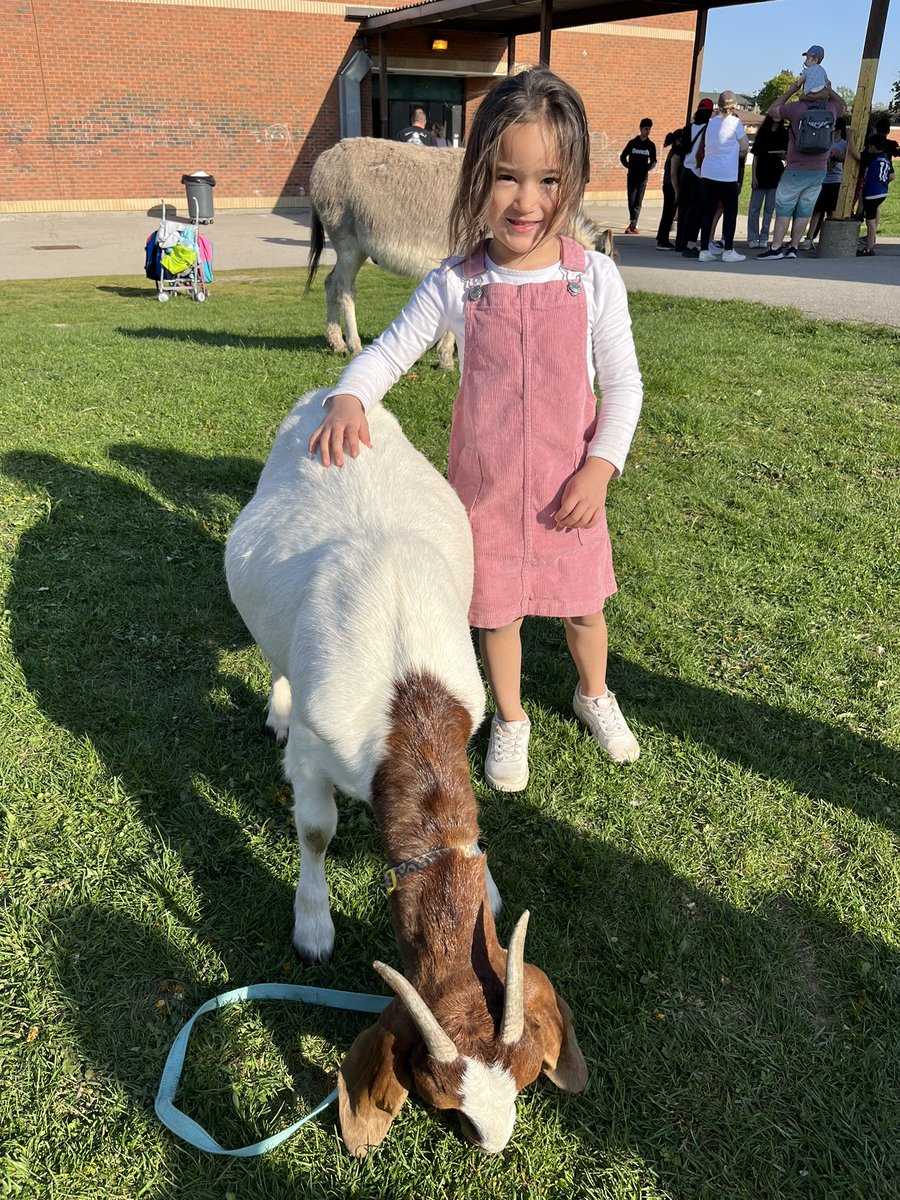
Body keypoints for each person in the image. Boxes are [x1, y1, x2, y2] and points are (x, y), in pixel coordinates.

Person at [308, 68, 644, 788]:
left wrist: (601, 466)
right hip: (484, 497)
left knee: (584, 609)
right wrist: (351, 396)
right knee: (497, 617)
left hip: (570, 492)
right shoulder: (457, 283)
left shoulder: (595, 280)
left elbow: (623, 385)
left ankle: (595, 695)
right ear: (475, 179)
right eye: (505, 178)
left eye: (549, 179)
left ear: (575, 181)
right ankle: (513, 719)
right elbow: (392, 350)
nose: (527, 202)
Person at [756, 82, 845, 261]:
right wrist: (830, 90)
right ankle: (793, 247)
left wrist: (791, 90)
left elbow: (773, 110)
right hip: (819, 169)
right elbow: (844, 106)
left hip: (796, 168)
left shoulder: (796, 108)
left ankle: (776, 247)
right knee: (805, 209)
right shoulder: (832, 108)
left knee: (784, 208)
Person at [697, 91, 749, 262]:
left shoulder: (711, 123)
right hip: (726, 175)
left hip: (708, 172)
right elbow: (744, 147)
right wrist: (734, 154)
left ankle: (704, 250)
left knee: (708, 212)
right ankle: (728, 250)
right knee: (730, 212)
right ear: (734, 106)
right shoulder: (735, 123)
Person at [802, 117, 856, 247]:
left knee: (831, 211)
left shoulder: (843, 144)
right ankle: (809, 238)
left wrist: (849, 139)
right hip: (822, 179)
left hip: (835, 180)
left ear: (837, 129)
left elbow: (847, 158)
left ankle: (828, 238)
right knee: (817, 210)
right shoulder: (825, 143)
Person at [675, 98, 714, 257]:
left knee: (683, 209)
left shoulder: (688, 128)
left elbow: (683, 149)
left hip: (685, 171)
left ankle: (679, 242)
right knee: (696, 211)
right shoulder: (709, 129)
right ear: (710, 112)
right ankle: (690, 243)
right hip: (699, 172)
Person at [746, 114, 788, 248]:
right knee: (754, 208)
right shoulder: (762, 132)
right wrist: (753, 177)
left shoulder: (784, 133)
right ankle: (753, 237)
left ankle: (764, 237)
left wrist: (783, 154)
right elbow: (756, 157)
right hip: (760, 173)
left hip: (775, 174)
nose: (777, 116)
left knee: (769, 209)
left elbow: (786, 155)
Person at [857, 134, 894, 256]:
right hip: (882, 191)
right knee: (871, 217)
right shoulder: (885, 157)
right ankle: (860, 214)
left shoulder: (870, 157)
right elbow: (891, 176)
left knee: (870, 221)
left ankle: (869, 246)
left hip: (872, 192)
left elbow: (854, 154)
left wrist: (851, 138)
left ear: (872, 146)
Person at [619, 118, 657, 233]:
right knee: (631, 200)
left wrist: (647, 169)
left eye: (649, 129)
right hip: (632, 176)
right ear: (640, 128)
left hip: (642, 178)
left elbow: (654, 160)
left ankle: (633, 224)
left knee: (638, 202)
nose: (648, 131)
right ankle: (632, 222)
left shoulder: (650, 145)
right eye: (646, 128)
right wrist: (628, 165)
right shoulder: (632, 143)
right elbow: (623, 156)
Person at [655, 129, 682, 249]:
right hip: (671, 186)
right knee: (668, 213)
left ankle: (661, 237)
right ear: (677, 140)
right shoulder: (676, 153)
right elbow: (673, 174)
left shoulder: (673, 151)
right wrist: (677, 191)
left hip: (668, 185)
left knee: (668, 213)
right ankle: (662, 240)